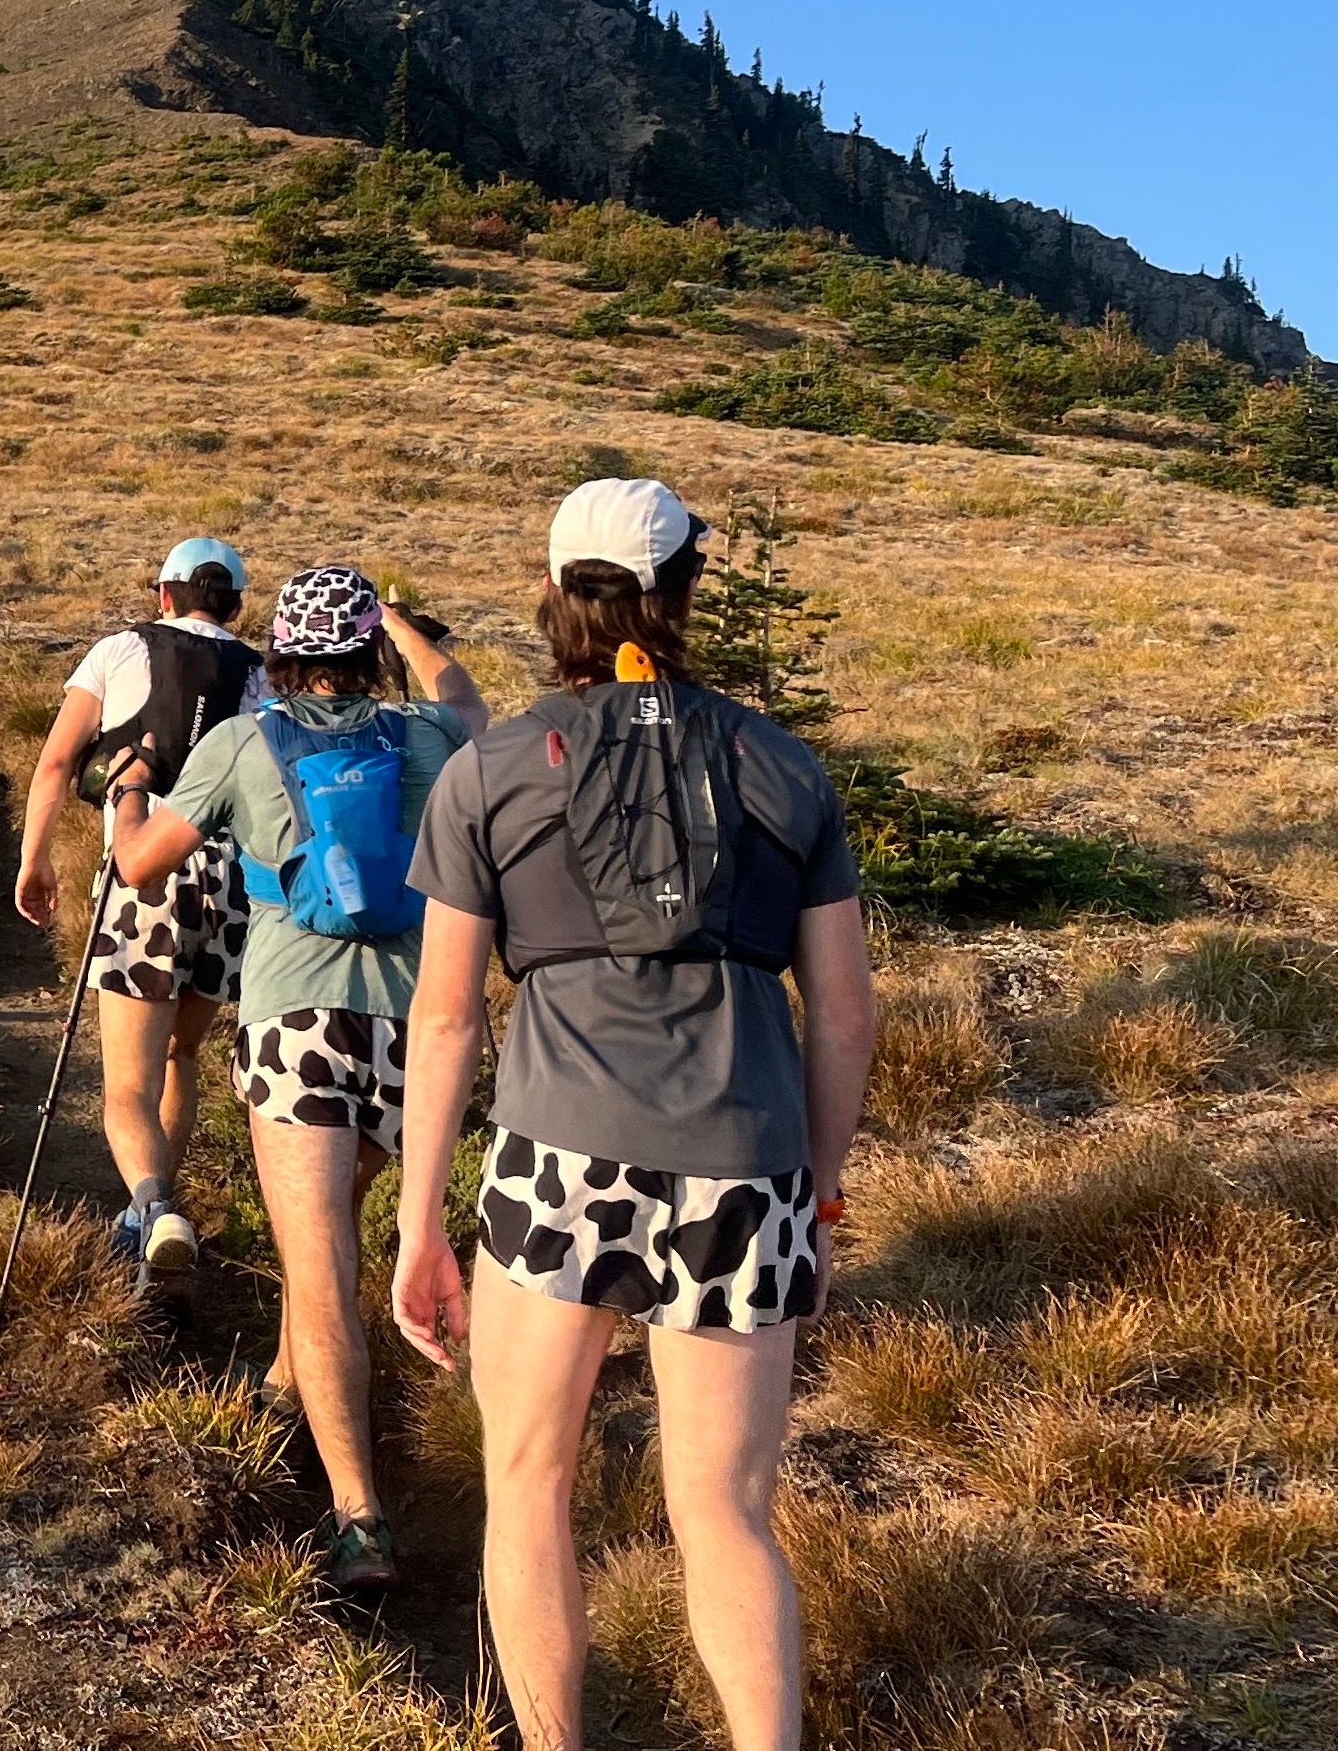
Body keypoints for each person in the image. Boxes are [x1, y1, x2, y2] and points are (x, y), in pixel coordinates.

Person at [389, 479, 875, 1751]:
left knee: (529, 1482)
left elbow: (445, 1018)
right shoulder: (785, 765)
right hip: (744, 1166)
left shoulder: (492, 768)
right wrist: (815, 1199)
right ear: (688, 592)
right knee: (723, 1509)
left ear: (554, 594)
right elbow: (841, 1016)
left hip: (557, 1161)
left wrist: (418, 1223)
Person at [103, 563, 488, 1598]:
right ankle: (286, 1384)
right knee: (356, 1231)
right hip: (420, 1023)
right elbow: (468, 699)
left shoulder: (242, 743)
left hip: (295, 1021)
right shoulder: (429, 737)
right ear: (367, 646)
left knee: (317, 1267)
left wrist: (129, 787)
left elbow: (142, 864)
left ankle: (360, 1516)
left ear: (283, 651)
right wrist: (408, 625)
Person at [18, 538, 266, 1299]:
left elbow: (60, 760)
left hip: (142, 870)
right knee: (179, 1059)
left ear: (164, 595)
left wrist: (35, 859)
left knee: (124, 1080)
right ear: (236, 606)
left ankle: (151, 1206)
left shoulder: (120, 649)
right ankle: (157, 1209)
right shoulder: (259, 673)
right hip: (226, 882)